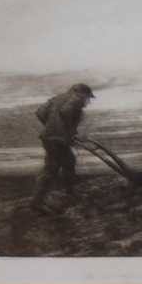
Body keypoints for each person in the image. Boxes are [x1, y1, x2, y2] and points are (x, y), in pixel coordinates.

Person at [31, 82, 95, 213]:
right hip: (57, 140)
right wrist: (66, 132)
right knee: (51, 169)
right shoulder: (75, 100)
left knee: (69, 161)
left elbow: (40, 112)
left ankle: (70, 192)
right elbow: (66, 112)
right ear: (80, 93)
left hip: (49, 137)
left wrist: (52, 127)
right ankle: (37, 203)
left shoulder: (57, 98)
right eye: (87, 97)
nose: (87, 101)